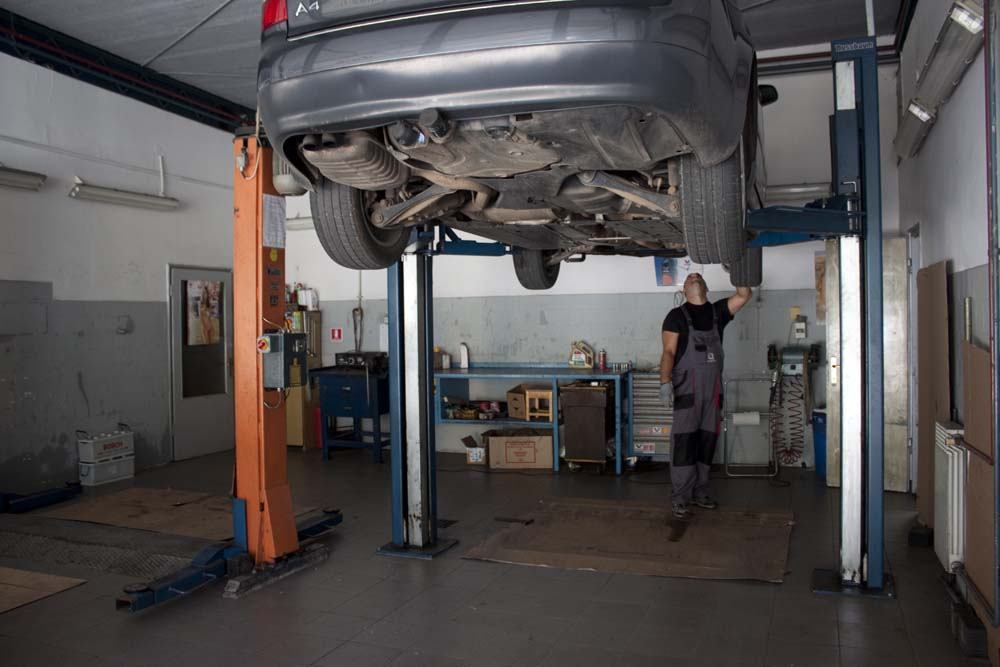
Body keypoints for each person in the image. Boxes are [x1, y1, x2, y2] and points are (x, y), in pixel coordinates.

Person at [660, 272, 752, 519]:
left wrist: (737, 268)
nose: (694, 276)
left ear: (706, 287)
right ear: (684, 290)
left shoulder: (718, 312)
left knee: (707, 442)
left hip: (713, 391)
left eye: (698, 275)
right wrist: (665, 382)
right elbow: (668, 352)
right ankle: (681, 497)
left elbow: (744, 294)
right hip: (688, 391)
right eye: (690, 277)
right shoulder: (676, 316)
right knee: (684, 444)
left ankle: (701, 491)